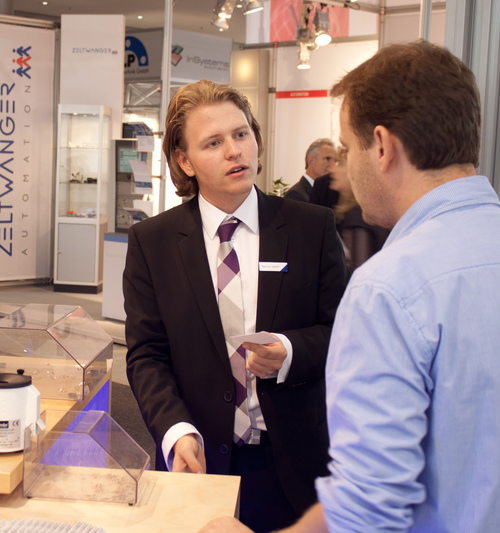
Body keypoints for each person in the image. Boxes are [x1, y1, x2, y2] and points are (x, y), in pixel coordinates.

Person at [200, 40, 500, 533]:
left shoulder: (389, 290)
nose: (343, 166)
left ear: (381, 146)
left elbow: (367, 511)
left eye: (346, 148)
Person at [123, 80, 349, 533]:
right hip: (199, 461)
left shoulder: (311, 228)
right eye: (213, 142)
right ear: (184, 161)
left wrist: (290, 351)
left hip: (292, 467)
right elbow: (147, 355)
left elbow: (344, 332)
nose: (234, 151)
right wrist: (175, 430)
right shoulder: (153, 241)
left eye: (241, 134)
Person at [328, 147, 389, 269]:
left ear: (354, 170)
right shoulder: (362, 210)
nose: (332, 169)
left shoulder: (358, 215)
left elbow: (359, 268)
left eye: (340, 164)